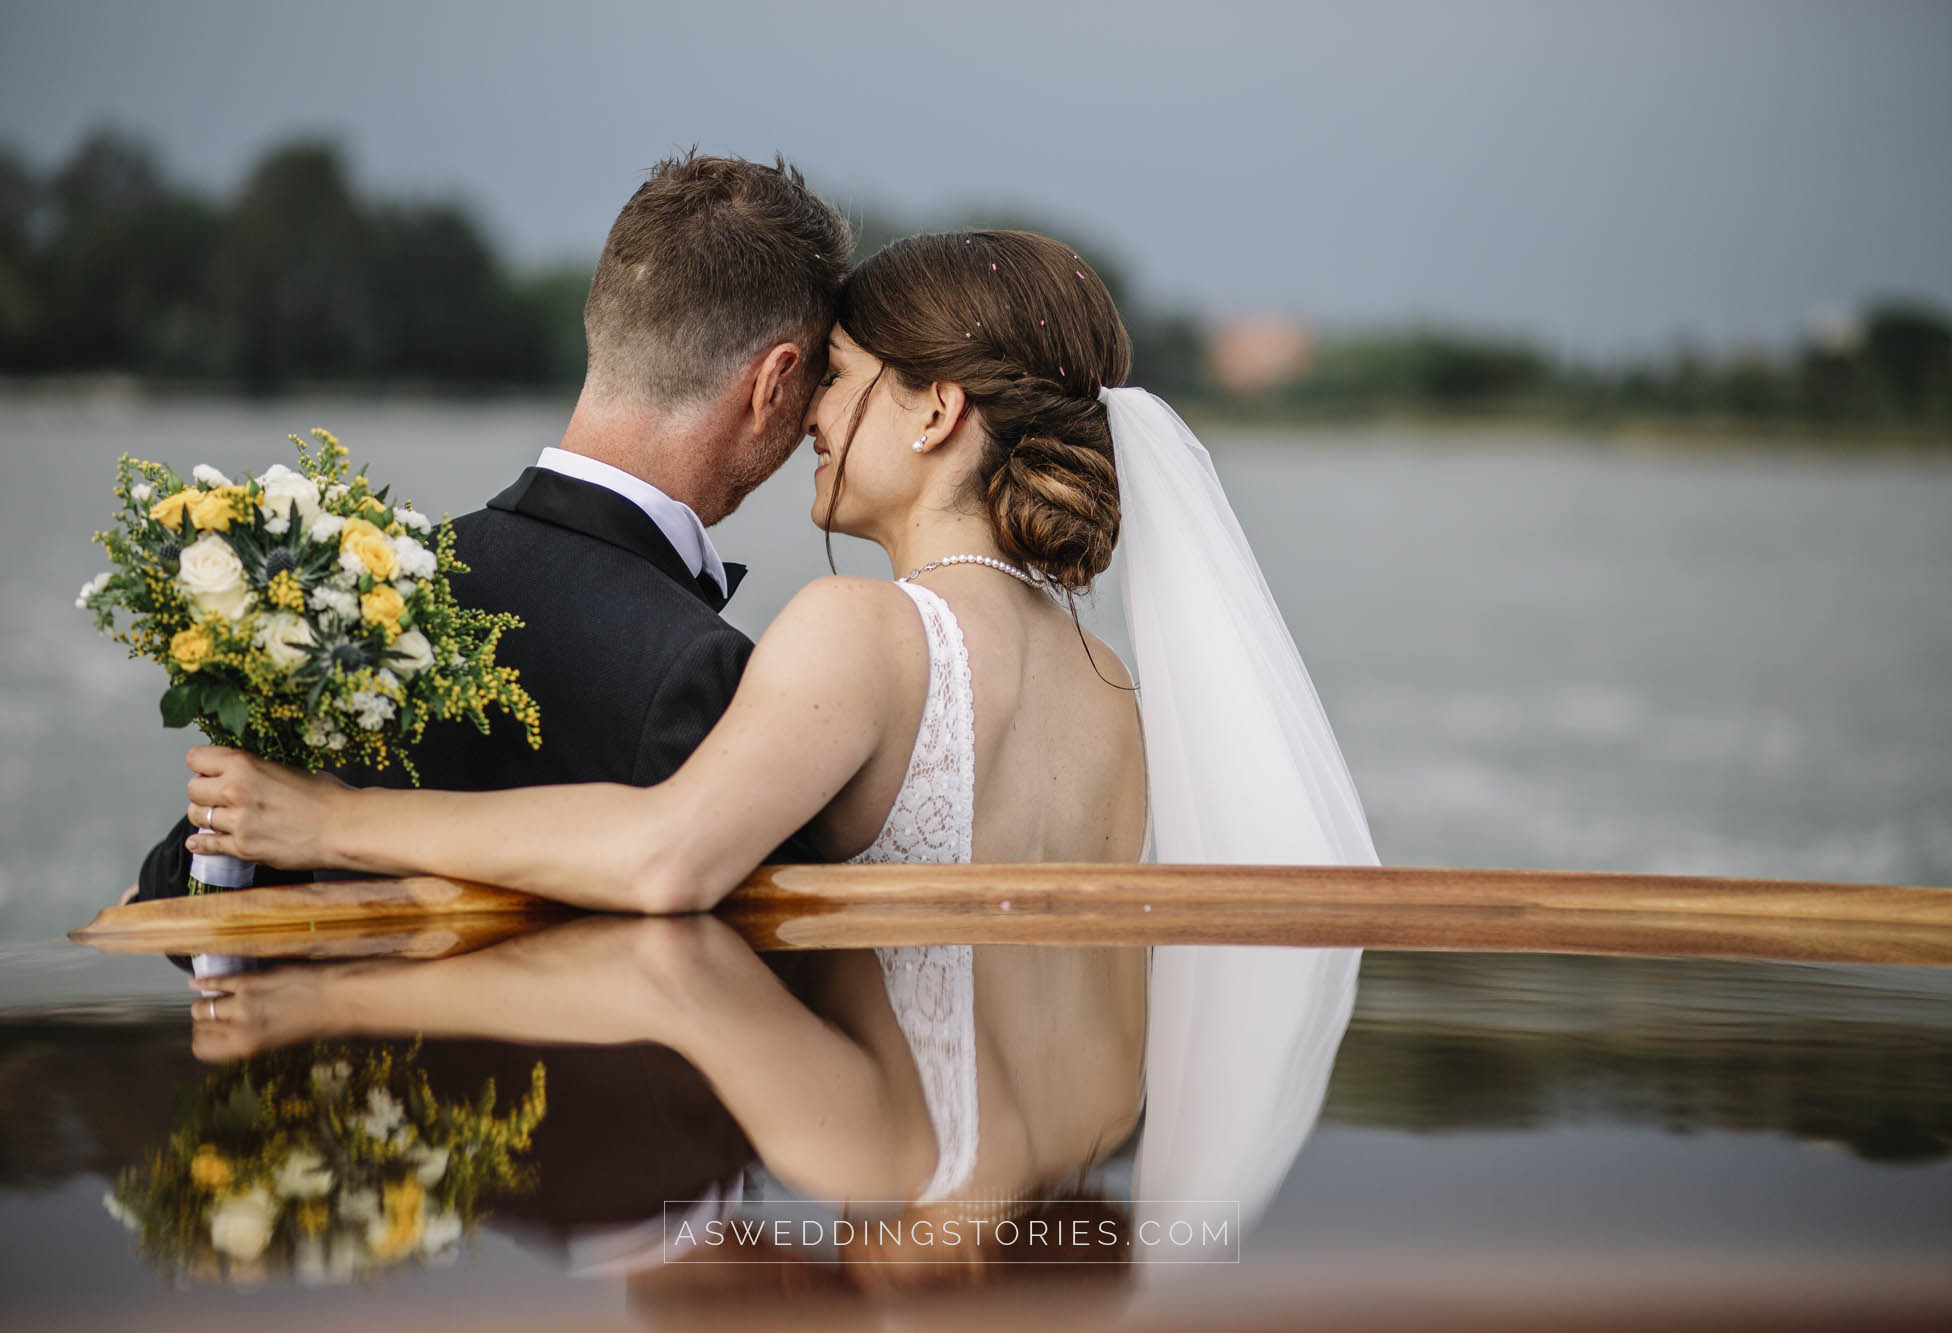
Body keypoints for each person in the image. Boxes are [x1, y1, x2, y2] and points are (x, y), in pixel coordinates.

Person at [184, 228, 1377, 1214]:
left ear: (934, 413)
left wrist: (333, 826)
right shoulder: (1113, 685)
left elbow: (664, 857)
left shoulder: (864, 634)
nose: (810, 411)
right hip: (1064, 1156)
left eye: (843, 378)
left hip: (898, 1160)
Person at [127, 149, 852, 902]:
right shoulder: (700, 671)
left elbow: (179, 895)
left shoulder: (358, 601)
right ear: (771, 384)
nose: (813, 418)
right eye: (819, 383)